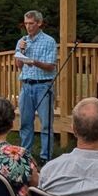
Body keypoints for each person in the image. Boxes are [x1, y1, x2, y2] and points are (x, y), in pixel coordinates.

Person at [14, 10, 58, 161]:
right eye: (26, 23)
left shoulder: (49, 41)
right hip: (26, 86)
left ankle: (46, 158)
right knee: (25, 123)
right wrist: (20, 50)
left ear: (39, 23)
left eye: (31, 23)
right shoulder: (22, 41)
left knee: (46, 124)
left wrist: (34, 62)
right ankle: (25, 156)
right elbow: (18, 65)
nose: (28, 27)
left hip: (43, 86)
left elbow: (51, 66)